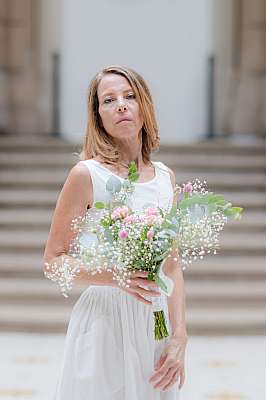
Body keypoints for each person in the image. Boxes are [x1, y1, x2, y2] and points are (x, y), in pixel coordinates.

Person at [43, 64, 188, 399]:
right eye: (108, 100)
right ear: (98, 116)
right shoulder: (86, 175)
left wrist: (179, 334)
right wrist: (114, 276)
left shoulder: (166, 178)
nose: (121, 104)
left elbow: (173, 266)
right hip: (104, 321)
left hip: (155, 322)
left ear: (144, 106)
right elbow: (52, 261)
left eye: (129, 96)